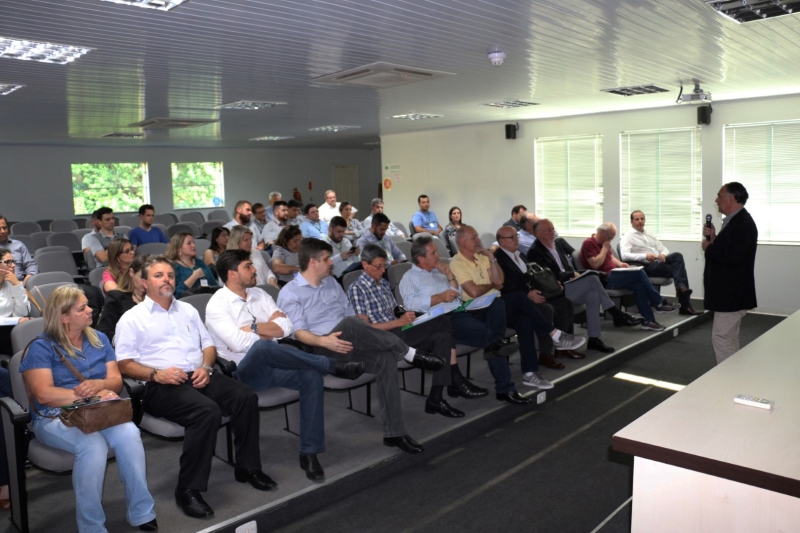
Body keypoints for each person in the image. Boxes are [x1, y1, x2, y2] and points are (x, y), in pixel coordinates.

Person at [115, 256, 274, 519]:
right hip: (161, 386)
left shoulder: (187, 310)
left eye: (169, 274)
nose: (167, 278)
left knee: (245, 396)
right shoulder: (131, 319)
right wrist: (157, 374)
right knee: (207, 411)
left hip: (199, 375)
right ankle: (187, 489)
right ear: (144, 282)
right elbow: (124, 364)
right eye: (158, 275)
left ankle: (247, 468)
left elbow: (208, 346)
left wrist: (207, 367)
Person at [205, 250, 365, 481]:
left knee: (311, 377)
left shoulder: (259, 294)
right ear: (232, 274)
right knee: (261, 348)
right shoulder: (216, 305)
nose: (254, 270)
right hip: (243, 375)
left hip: (276, 366)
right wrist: (268, 329)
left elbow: (287, 326)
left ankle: (309, 453)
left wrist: (252, 328)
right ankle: (330, 364)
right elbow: (239, 345)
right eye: (248, 266)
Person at [277, 238, 445, 455]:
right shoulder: (290, 292)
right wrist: (325, 340)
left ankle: (395, 433)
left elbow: (349, 313)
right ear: (312, 262)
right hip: (322, 349)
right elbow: (298, 333)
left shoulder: (331, 283)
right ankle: (409, 353)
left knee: (383, 356)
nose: (331, 263)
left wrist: (361, 323)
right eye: (327, 259)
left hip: (351, 340)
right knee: (352, 323)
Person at [20, 284, 157, 532]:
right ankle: (91, 526)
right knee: (92, 446)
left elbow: (115, 382)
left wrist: (99, 385)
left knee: (130, 434)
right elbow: (44, 394)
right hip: (54, 418)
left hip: (97, 411)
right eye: (82, 308)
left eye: (88, 305)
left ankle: (141, 512)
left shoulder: (99, 338)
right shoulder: (41, 347)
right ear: (64, 317)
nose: (91, 310)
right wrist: (84, 395)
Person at [349, 244, 484, 418]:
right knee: (442, 321)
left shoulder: (382, 283)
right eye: (378, 266)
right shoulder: (357, 289)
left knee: (442, 337)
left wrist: (406, 317)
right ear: (365, 265)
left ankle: (436, 398)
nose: (383, 271)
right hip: (383, 338)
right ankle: (455, 378)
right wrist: (399, 321)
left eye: (385, 266)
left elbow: (393, 312)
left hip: (399, 329)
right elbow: (366, 329)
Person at [398, 235, 532, 401]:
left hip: (462, 311)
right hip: (441, 321)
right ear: (421, 258)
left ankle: (495, 348)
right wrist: (438, 297)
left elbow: (458, 296)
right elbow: (411, 304)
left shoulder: (439, 271)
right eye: (433, 253)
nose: (438, 255)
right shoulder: (410, 277)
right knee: (491, 338)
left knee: (497, 304)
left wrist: (449, 276)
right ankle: (505, 388)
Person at [450, 227, 585, 382]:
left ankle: (530, 372)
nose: (478, 240)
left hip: (497, 305)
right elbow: (474, 292)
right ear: (462, 241)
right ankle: (555, 334)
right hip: (478, 310)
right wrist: (492, 285)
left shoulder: (483, 257)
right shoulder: (457, 262)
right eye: (474, 238)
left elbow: (499, 281)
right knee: (520, 298)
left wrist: (491, 257)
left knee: (525, 321)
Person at [527, 219, 643, 353]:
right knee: (593, 278)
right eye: (548, 230)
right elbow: (548, 278)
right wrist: (572, 274)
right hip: (557, 290)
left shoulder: (556, 245)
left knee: (593, 295)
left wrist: (576, 273)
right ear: (538, 233)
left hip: (569, 284)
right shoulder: (535, 251)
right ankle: (615, 313)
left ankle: (594, 339)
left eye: (553, 229)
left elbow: (565, 268)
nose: (552, 232)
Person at [494, 225, 583, 364]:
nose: (516, 239)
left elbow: (536, 275)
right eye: (512, 237)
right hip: (518, 299)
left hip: (535, 292)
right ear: (501, 241)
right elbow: (504, 285)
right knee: (546, 309)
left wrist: (553, 283)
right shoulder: (498, 259)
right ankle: (545, 354)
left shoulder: (520, 254)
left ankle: (563, 347)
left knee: (565, 303)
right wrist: (527, 294)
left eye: (516, 236)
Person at [580, 223, 679, 332]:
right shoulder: (588, 243)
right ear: (603, 233)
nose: (611, 240)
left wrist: (621, 264)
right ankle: (659, 302)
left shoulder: (604, 243)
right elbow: (595, 264)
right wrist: (604, 249)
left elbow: (610, 257)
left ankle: (649, 321)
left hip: (615, 273)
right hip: (604, 278)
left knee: (638, 285)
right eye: (610, 237)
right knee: (639, 272)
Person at [702, 182, 758, 365]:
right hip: (731, 293)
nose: (716, 200)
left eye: (719, 196)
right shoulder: (736, 221)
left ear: (731, 199)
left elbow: (733, 258)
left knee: (722, 338)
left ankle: (727, 380)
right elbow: (731, 250)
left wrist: (709, 248)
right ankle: (735, 375)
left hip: (732, 294)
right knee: (729, 339)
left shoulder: (742, 223)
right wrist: (715, 238)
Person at [621, 210, 702, 315]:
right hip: (646, 265)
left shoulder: (649, 234)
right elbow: (624, 255)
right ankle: (685, 303)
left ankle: (681, 289)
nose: (640, 221)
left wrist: (663, 254)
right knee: (678, 270)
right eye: (637, 219)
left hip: (658, 261)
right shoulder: (628, 236)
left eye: (642, 219)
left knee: (677, 256)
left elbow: (663, 248)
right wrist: (645, 256)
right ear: (631, 222)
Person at [97, 255, 148, 343]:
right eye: (142, 277)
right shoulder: (116, 297)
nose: (145, 282)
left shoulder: (159, 298)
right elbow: (105, 331)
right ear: (131, 272)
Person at [165, 232, 219, 298]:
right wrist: (194, 277)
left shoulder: (199, 262)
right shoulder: (173, 266)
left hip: (208, 299)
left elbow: (213, 284)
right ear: (179, 248)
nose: (193, 245)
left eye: (193, 243)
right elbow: (175, 294)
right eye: (189, 243)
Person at [0, 215, 37, 283]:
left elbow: (30, 265)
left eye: (4, 228)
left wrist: (26, 281)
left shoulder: (18, 245)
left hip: (20, 282)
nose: (3, 231)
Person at [0, 248, 30, 322]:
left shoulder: (12, 283)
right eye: (8, 262)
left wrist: (17, 285)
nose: (13, 265)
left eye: (13, 262)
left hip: (10, 328)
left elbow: (23, 312)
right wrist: (16, 320)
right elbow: (18, 319)